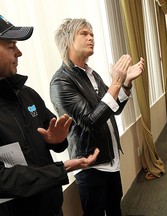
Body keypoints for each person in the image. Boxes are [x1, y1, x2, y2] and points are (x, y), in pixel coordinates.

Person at [0, 15, 100, 216]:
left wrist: (57, 141)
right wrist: (60, 169)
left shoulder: (27, 95)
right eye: (11, 46)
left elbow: (54, 135)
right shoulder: (61, 81)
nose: (19, 53)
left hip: (51, 206)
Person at [50, 18, 145, 216]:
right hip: (90, 165)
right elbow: (91, 121)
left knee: (114, 209)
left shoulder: (92, 74)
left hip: (110, 160)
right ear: (68, 41)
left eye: (92, 33)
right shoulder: (61, 81)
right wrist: (116, 83)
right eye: (84, 33)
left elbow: (112, 109)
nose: (91, 37)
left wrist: (125, 83)